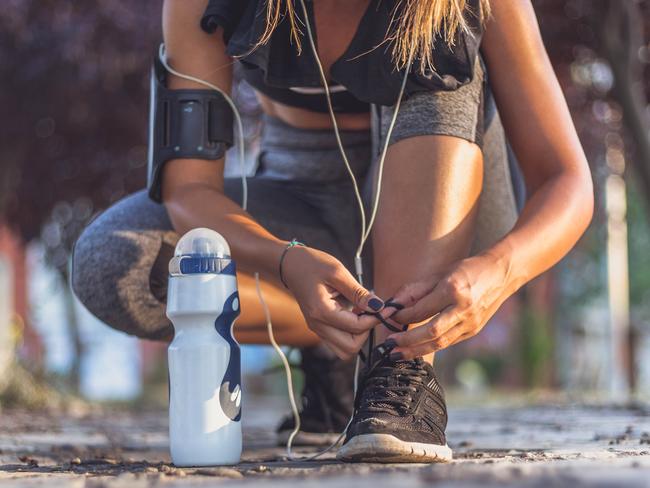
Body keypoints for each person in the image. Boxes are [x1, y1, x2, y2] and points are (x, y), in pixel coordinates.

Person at [72, 0, 593, 463]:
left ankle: (400, 372)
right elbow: (188, 191)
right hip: (304, 212)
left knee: (441, 27)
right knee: (113, 266)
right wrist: (284, 260)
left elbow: (568, 183)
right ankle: (343, 344)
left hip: (455, 212)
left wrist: (497, 273)